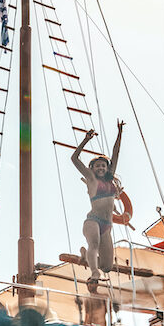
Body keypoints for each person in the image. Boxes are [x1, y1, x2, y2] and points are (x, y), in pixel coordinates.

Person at [70, 120, 125, 285]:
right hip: (93, 220)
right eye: (97, 166)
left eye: (103, 166)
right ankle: (94, 273)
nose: (101, 168)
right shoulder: (91, 179)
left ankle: (84, 254)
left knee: (107, 266)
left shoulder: (110, 181)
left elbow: (115, 153)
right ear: (92, 169)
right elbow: (74, 158)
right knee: (94, 245)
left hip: (107, 225)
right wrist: (86, 140)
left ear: (107, 169)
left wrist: (120, 133)